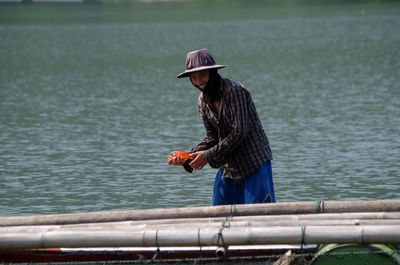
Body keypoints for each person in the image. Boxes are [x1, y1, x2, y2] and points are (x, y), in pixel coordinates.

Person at [168, 48, 276, 206]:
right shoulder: (202, 101)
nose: (199, 82)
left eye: (203, 75)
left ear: (213, 73)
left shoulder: (234, 91)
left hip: (254, 164)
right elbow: (213, 137)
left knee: (259, 216)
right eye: (194, 77)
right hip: (230, 169)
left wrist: (207, 156)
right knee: (219, 214)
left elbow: (240, 132)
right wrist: (187, 157)